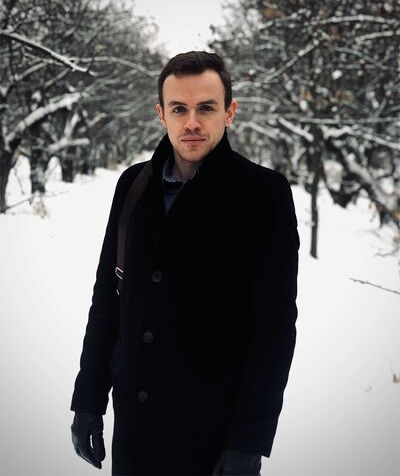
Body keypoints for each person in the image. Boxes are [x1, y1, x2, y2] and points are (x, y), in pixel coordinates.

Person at [70, 51, 299, 476]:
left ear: (229, 112)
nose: (191, 122)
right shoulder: (133, 185)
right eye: (179, 109)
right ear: (161, 113)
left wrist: (249, 441)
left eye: (206, 108)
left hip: (212, 439)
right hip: (134, 432)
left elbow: (275, 330)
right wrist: (88, 400)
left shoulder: (262, 194)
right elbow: (108, 299)